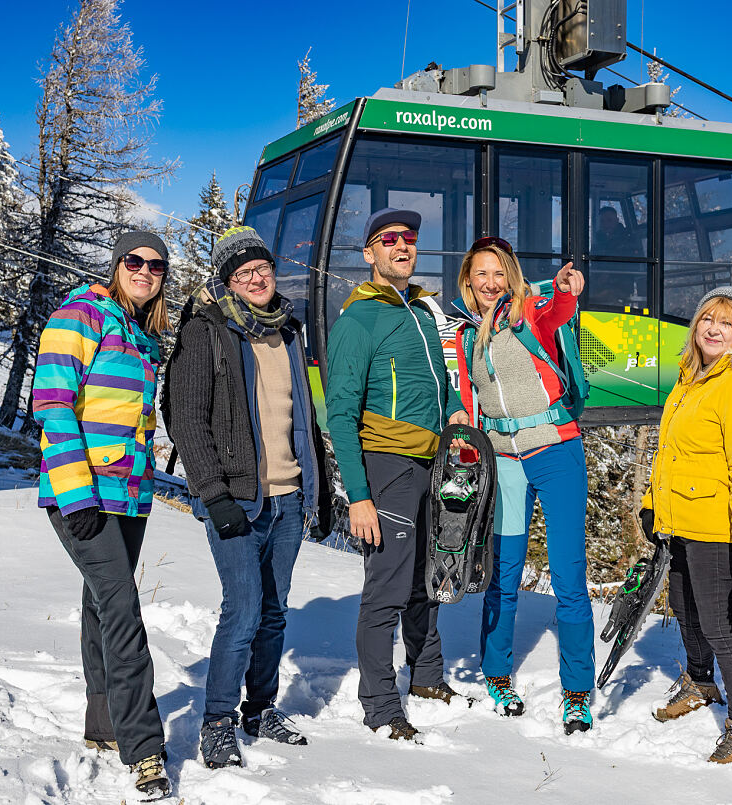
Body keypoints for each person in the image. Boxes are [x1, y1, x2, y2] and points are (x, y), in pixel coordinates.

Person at [164, 225, 331, 769]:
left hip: (288, 497)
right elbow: (185, 419)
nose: (256, 279)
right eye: (243, 273)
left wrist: (318, 489)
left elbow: (302, 418)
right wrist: (213, 495)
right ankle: (217, 721)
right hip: (236, 498)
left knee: (275, 612)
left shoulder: (290, 330)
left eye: (261, 269)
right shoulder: (206, 331)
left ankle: (259, 709)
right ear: (228, 283)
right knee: (243, 610)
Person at [32, 231, 172, 800]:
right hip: (81, 494)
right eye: (134, 261)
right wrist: (75, 495)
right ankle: (145, 749)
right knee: (122, 607)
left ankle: (104, 723)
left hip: (130, 494)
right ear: (117, 265)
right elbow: (52, 405)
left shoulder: (144, 334)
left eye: (156, 264)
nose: (144, 270)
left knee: (101, 603)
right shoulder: (79, 316)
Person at [325, 207, 470, 741]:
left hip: (432, 463)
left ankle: (427, 677)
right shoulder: (358, 321)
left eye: (409, 238)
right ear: (369, 254)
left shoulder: (420, 311)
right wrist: (358, 496)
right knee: (386, 586)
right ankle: (381, 704)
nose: (402, 246)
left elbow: (437, 380)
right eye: (389, 239)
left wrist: (453, 405)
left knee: (426, 577)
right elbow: (338, 414)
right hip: (387, 464)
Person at [450, 236, 595, 734]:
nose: (489, 284)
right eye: (479, 275)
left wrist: (566, 291)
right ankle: (497, 675)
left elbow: (558, 310)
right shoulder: (467, 336)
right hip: (504, 461)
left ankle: (576, 691)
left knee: (568, 576)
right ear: (468, 281)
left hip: (555, 450)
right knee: (504, 573)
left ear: (510, 275)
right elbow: (467, 396)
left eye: (498, 273)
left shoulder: (531, 311)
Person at [639, 286, 732, 764]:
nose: (714, 329)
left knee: (720, 624)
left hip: (716, 526)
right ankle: (701, 682)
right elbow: (671, 453)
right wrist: (651, 504)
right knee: (684, 607)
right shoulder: (693, 377)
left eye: (727, 323)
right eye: (708, 319)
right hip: (681, 518)